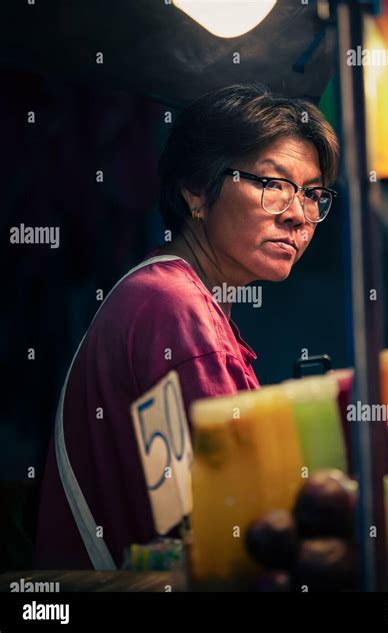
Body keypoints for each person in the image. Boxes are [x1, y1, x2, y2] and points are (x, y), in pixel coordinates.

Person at [34, 83, 339, 570]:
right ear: (196, 192)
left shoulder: (164, 292)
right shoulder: (173, 306)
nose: (299, 217)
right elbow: (233, 517)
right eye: (274, 185)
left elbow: (178, 499)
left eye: (313, 194)